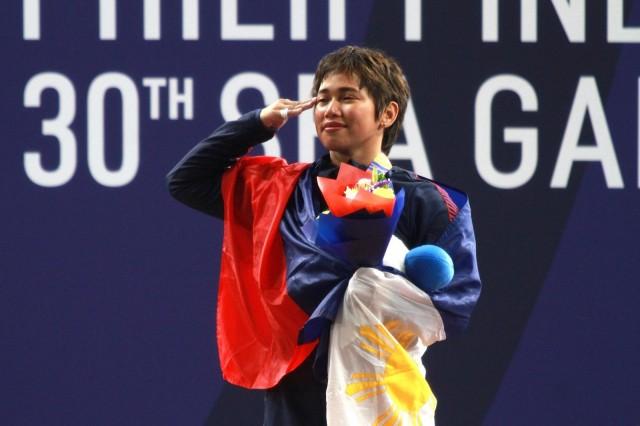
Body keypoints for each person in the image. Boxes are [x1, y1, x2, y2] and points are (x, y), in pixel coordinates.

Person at [167, 45, 481, 426]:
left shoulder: (428, 200)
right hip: (292, 405)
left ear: (387, 112)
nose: (330, 109)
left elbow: (454, 300)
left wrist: (373, 287)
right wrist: (259, 122)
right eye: (323, 98)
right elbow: (185, 180)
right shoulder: (279, 190)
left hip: (380, 402)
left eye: (347, 97)